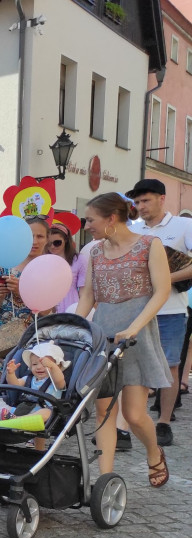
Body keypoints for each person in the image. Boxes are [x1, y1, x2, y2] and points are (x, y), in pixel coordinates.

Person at [77, 192, 172, 488]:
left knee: (133, 414)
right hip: (104, 335)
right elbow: (89, 296)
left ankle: (154, 452)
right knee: (105, 411)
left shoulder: (149, 244)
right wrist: (76, 328)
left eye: (91, 219)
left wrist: (135, 327)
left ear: (111, 218)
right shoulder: (94, 252)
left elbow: (162, 291)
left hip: (137, 334)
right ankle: (104, 480)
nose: (87, 224)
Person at [127, 178, 192, 447]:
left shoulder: (183, 225)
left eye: (146, 200)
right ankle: (133, 418)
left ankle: (164, 421)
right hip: (137, 308)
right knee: (134, 365)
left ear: (161, 199)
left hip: (170, 309)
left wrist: (164, 278)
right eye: (138, 202)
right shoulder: (133, 229)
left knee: (170, 367)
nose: (141, 206)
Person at [0, 217, 47, 384]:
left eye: (40, 236)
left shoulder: (48, 267)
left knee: (28, 391)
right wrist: (0, 295)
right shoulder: (3, 267)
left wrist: (21, 291)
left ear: (47, 239)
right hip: (2, 342)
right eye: (30, 236)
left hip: (34, 341)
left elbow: (47, 311)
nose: (35, 241)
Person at [0, 342, 68, 426]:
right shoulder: (29, 378)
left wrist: (52, 366)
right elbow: (15, 384)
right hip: (22, 410)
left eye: (44, 365)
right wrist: (11, 373)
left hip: (41, 414)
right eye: (35, 364)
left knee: (46, 412)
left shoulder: (55, 381)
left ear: (58, 366)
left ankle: (15, 420)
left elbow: (60, 380)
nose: (39, 367)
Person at [47, 222, 87, 313]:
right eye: (49, 244)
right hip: (48, 308)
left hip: (71, 307)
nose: (52, 246)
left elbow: (84, 292)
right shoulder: (43, 259)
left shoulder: (79, 259)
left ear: (65, 240)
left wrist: (81, 311)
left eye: (57, 243)